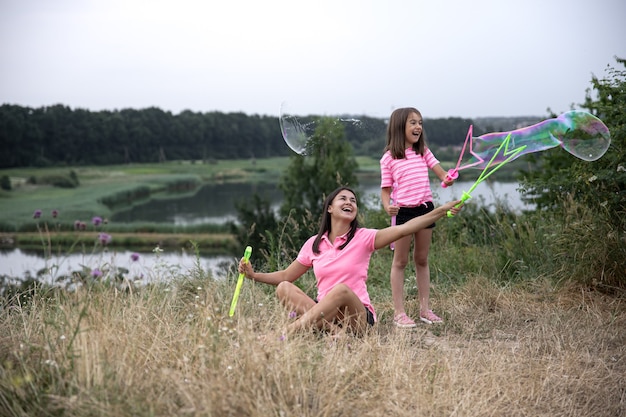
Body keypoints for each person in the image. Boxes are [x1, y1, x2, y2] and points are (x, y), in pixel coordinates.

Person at [238, 186, 462, 337]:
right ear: (329, 208)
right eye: (343, 199)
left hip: (357, 317)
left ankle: (286, 333)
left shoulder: (364, 237)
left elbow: (406, 227)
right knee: (284, 288)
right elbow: (286, 276)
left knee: (341, 290)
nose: (349, 202)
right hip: (327, 316)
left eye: (353, 201)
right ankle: (335, 335)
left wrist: (441, 211)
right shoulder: (314, 244)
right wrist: (254, 275)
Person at [380, 107, 456, 328]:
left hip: (426, 208)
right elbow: (385, 190)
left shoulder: (424, 151)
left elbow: (442, 174)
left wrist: (448, 178)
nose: (418, 127)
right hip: (403, 212)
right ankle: (399, 313)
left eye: (420, 123)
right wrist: (388, 207)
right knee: (400, 261)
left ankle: (425, 310)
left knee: (422, 259)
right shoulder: (389, 158)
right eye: (413, 123)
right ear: (399, 126)